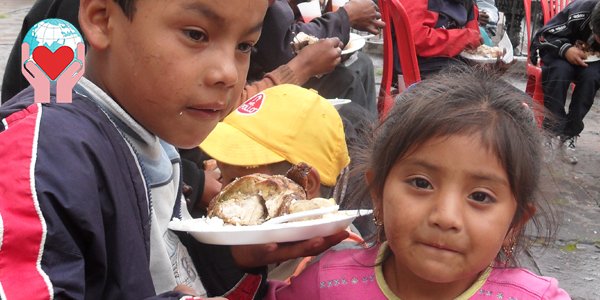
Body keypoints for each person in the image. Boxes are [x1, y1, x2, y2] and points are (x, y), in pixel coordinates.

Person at [0, 0, 348, 299]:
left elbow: (159, 271)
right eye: (196, 35)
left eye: (245, 46)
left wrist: (231, 258)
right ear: (101, 18)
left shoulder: (151, 131)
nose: (228, 73)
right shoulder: (39, 155)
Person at [265, 67, 571, 299]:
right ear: (378, 194)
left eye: (480, 196)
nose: (445, 217)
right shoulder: (327, 286)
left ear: (515, 224)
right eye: (422, 184)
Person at [249, 0, 384, 116]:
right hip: (264, 83)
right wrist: (346, 17)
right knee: (345, 79)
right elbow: (283, 46)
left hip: (272, 74)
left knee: (362, 63)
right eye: (242, 46)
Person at [530, 0, 600, 165]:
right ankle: (550, 129)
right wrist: (566, 50)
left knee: (592, 77)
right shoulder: (579, 12)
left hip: (592, 61)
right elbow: (543, 36)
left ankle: (570, 133)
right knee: (561, 71)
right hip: (560, 53)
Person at [395, 0, 481, 77]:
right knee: (468, 79)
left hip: (447, 61)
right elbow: (415, 39)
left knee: (484, 73)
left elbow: (475, 40)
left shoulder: (468, 4)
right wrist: (464, 38)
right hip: (412, 64)